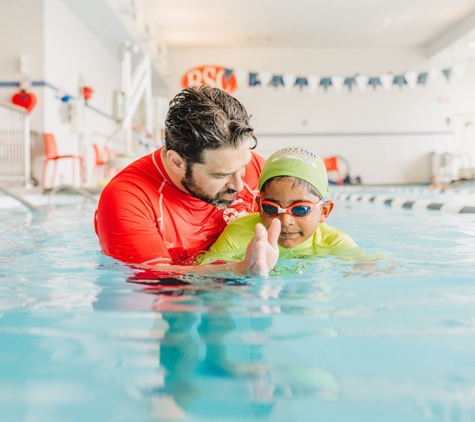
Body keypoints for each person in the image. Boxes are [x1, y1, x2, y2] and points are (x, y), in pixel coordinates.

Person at [94, 86, 280, 277]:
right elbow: (154, 279)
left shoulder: (254, 167)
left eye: (243, 166)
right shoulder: (128, 199)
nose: (239, 185)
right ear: (177, 162)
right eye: (220, 175)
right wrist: (239, 270)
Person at [202, 147, 357, 264]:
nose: (285, 220)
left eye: (300, 209)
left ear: (324, 211)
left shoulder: (335, 243)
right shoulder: (238, 234)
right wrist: (241, 270)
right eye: (271, 208)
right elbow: (203, 274)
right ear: (259, 206)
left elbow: (368, 269)